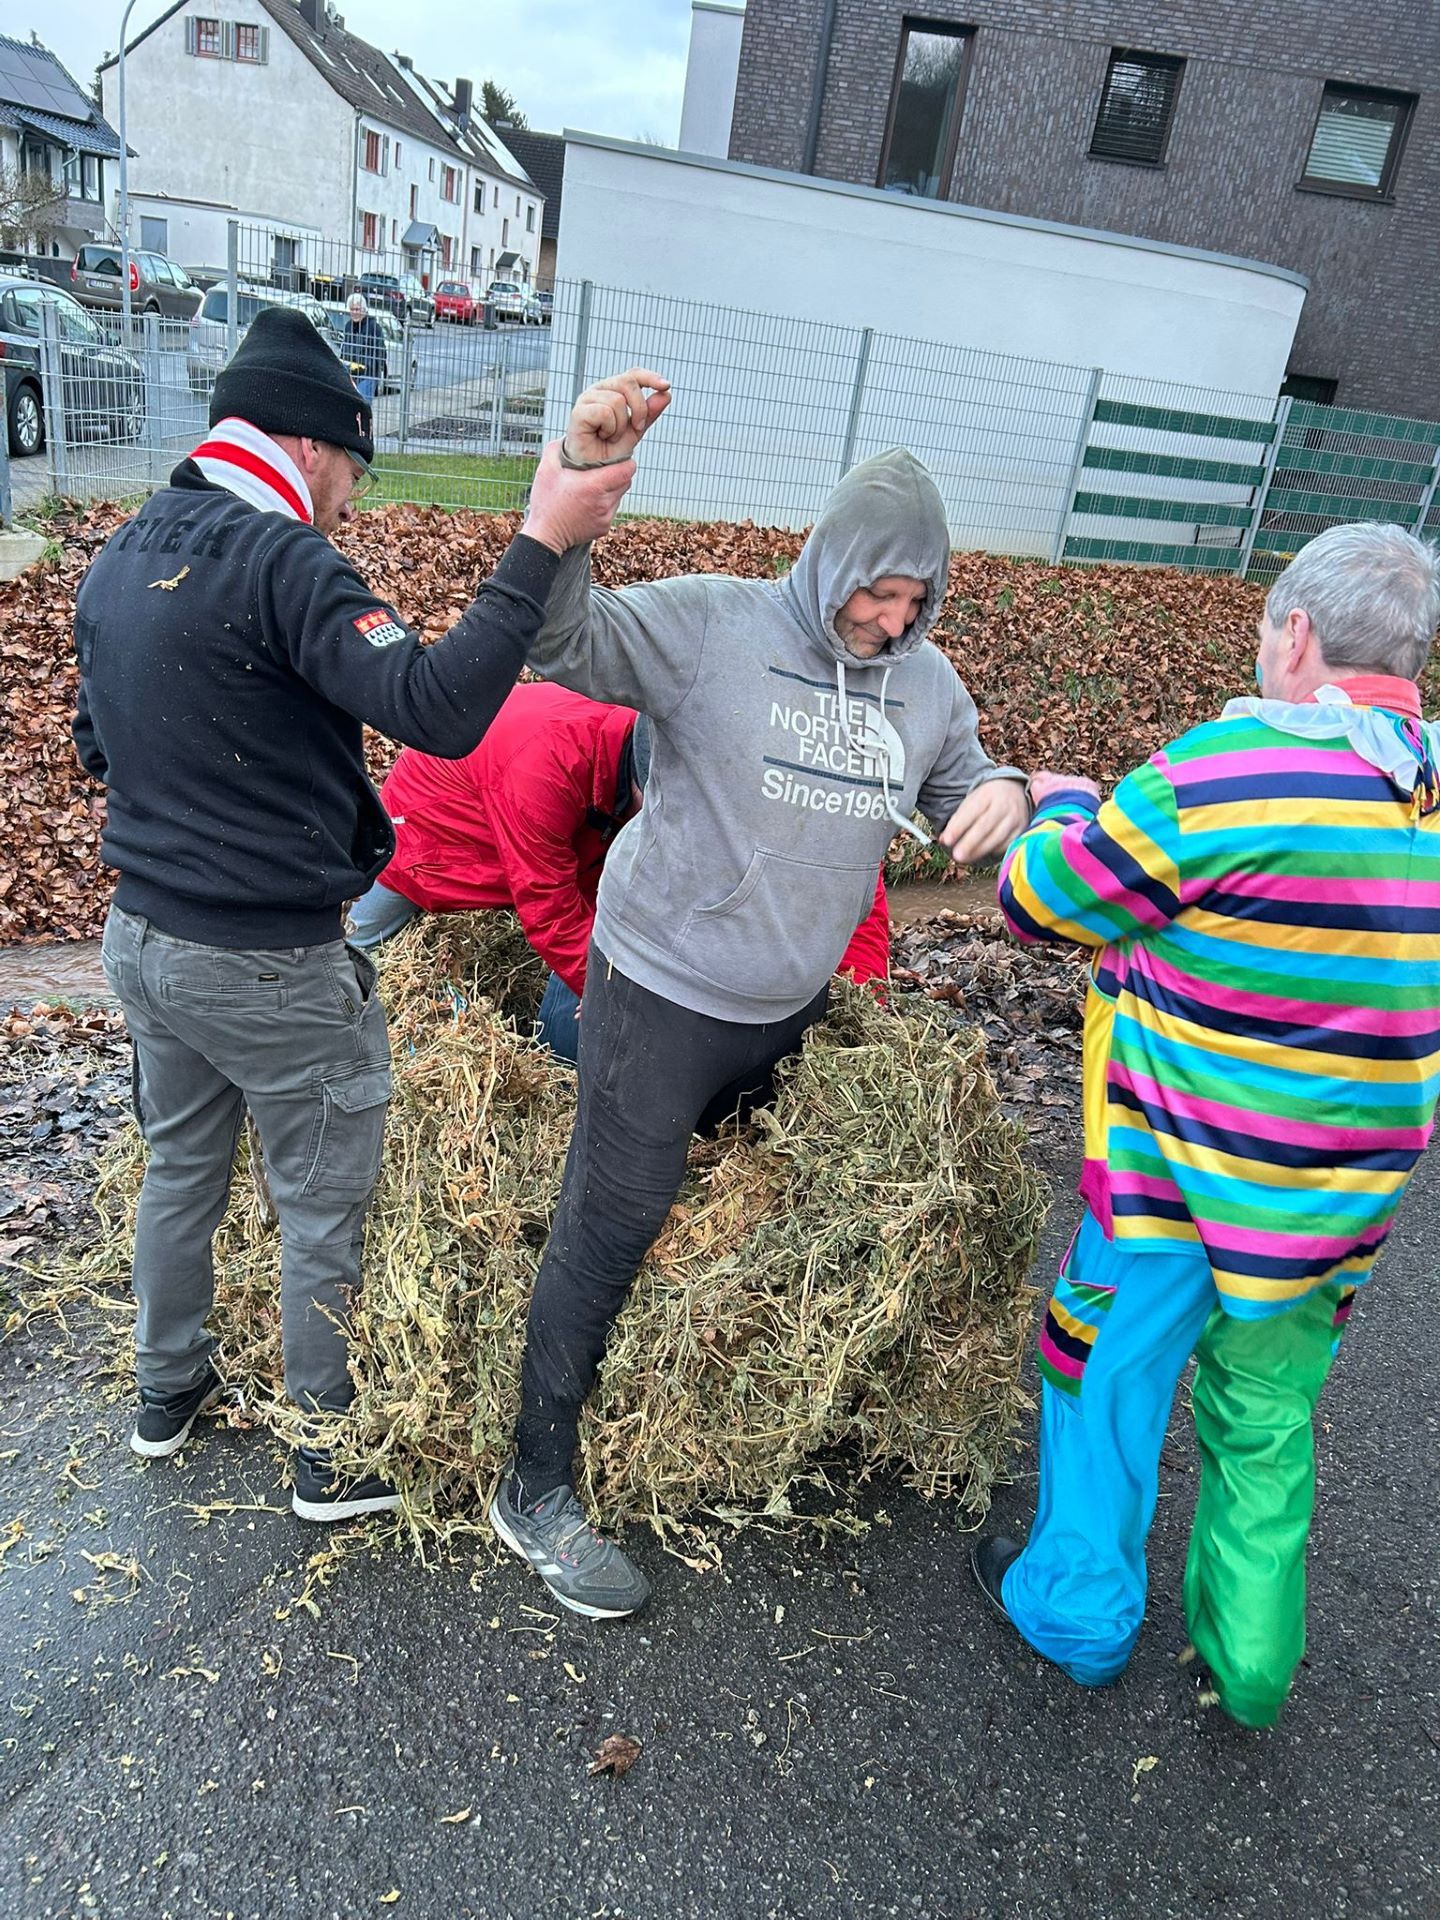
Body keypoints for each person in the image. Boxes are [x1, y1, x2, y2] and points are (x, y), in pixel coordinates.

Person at [72, 308, 666, 1519]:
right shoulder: (281, 559)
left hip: (140, 943)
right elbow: (439, 708)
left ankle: (163, 1393)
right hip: (268, 961)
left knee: (183, 1165)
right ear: (313, 445)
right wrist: (541, 541)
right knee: (320, 1196)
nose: (349, 499)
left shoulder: (123, 552)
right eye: (353, 468)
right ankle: (326, 1457)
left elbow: (98, 744)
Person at [486, 381, 1033, 1618]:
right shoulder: (712, 630)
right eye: (874, 593)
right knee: (613, 1217)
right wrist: (576, 492)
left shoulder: (927, 685)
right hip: (660, 987)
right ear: (829, 559)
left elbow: (965, 788)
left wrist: (1008, 793)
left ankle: (666, 1382)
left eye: (914, 602)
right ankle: (535, 1485)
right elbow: (560, 642)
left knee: (723, 1195)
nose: (890, 623)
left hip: (787, 1002)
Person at [971, 522, 1440, 1729]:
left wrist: (1066, 797)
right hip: (1339, 1203)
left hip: (1174, 1185)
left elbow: (1041, 899)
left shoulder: (1224, 771)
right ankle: (1251, 1662)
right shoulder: (1426, 784)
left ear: (1296, 633)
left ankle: (1076, 1614)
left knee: (1104, 1378)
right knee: (1268, 1415)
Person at [345, 682, 893, 1060]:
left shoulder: (644, 751)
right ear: (637, 786)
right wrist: (610, 994)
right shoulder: (547, 769)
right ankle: (319, 1030)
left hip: (554, 811)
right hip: (430, 821)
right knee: (360, 940)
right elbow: (547, 905)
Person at [341, 292, 386, 405]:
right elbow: (344, 348)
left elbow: (381, 352)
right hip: (350, 373)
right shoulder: (348, 326)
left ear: (364, 310)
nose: (355, 312)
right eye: (352, 309)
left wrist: (368, 366)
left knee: (362, 405)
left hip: (367, 374)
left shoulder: (374, 327)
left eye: (357, 309)